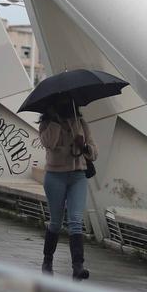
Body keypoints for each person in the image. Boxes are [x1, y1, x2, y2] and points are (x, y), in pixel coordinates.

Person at [38, 102, 98, 280]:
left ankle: (78, 266)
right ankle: (47, 261)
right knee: (56, 221)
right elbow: (48, 143)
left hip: (77, 176)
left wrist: (84, 146)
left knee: (76, 220)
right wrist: (55, 122)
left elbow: (94, 153)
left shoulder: (80, 123)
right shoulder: (46, 125)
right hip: (55, 176)